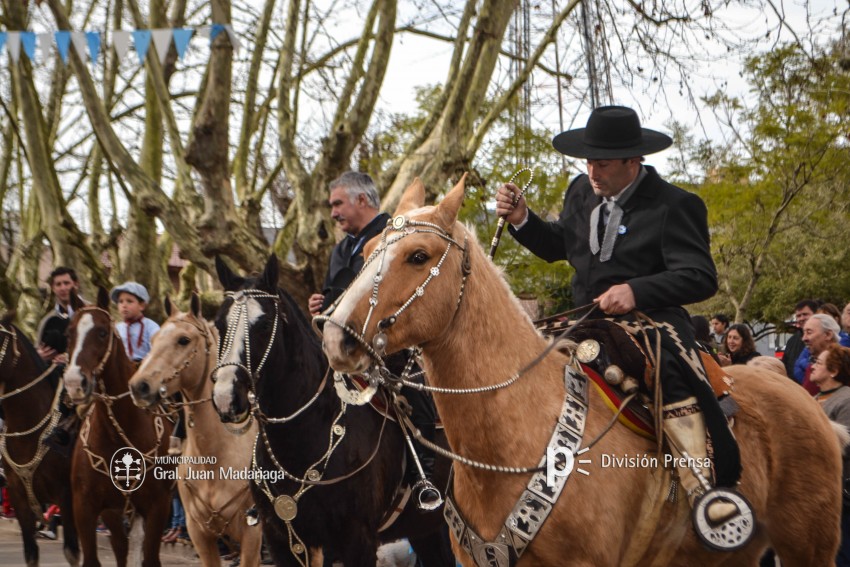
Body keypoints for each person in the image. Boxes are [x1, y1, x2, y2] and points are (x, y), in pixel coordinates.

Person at [496, 105, 740, 524]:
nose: (593, 172)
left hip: (650, 321)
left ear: (633, 160)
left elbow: (700, 276)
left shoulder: (676, 204)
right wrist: (523, 220)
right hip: (583, 320)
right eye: (589, 161)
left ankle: (703, 486)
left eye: (603, 163)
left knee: (669, 371)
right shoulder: (579, 190)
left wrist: (636, 290)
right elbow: (559, 245)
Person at [309, 172, 441, 511]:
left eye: (338, 204)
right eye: (332, 206)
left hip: (387, 344)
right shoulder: (340, 249)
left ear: (361, 200)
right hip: (342, 345)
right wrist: (320, 304)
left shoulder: (391, 232)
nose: (333, 213)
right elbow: (336, 294)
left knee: (414, 392)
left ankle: (423, 475)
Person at [810, 343, 850, 567]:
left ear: (833, 371)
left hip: (840, 492)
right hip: (816, 491)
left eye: (818, 362)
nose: (812, 366)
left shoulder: (846, 399)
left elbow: (846, 443)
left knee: (840, 553)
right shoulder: (815, 398)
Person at [110, 282, 160, 362]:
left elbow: (158, 349)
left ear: (142, 306)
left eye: (129, 301)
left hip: (144, 366)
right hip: (122, 365)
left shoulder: (151, 326)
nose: (124, 305)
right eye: (120, 301)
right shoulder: (117, 328)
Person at [798, 314, 842, 396]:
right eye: (804, 333)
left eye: (809, 332)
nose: (804, 338)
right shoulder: (811, 367)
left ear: (828, 335)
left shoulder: (844, 365)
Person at [783, 299, 818, 378]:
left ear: (815, 314)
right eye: (798, 316)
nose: (801, 318)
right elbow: (785, 365)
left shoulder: (822, 337)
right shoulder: (792, 341)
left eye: (805, 314)